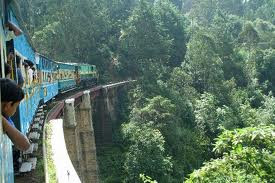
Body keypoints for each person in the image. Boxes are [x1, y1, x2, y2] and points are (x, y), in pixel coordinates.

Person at [1, 78, 30, 151]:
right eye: (16, 106)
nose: (15, 110)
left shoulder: (5, 117)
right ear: (8, 105)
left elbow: (25, 145)